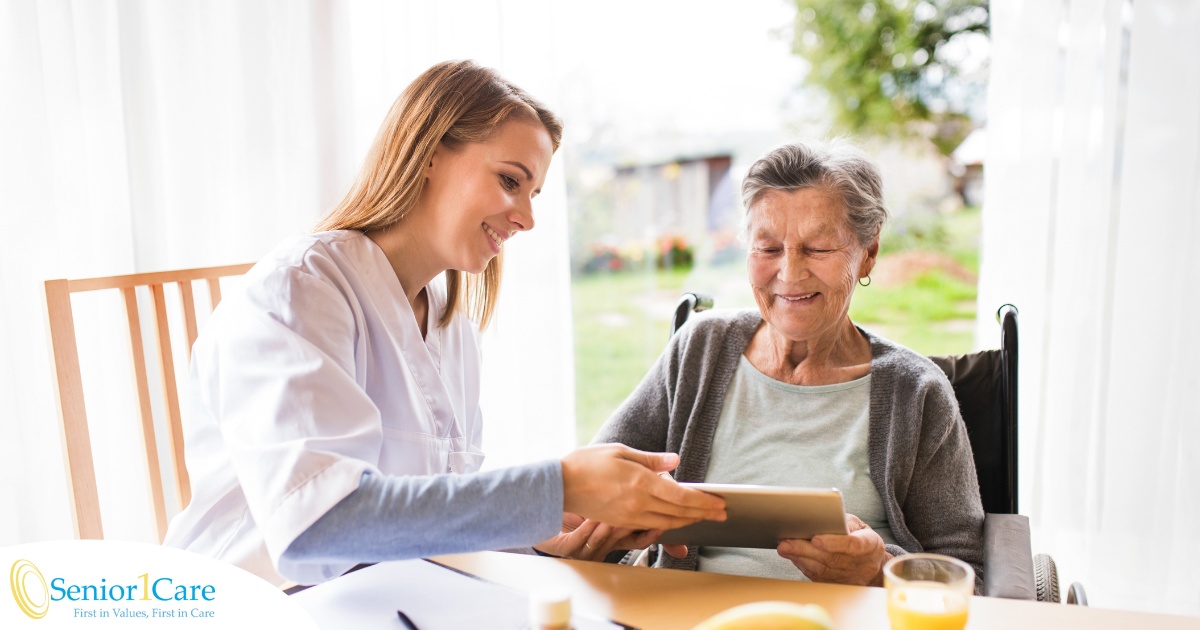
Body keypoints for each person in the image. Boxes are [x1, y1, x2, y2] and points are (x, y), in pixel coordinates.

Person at [163, 60, 725, 587]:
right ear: (429, 153)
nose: (527, 218)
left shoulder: (450, 323)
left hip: (391, 600)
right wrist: (558, 486)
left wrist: (547, 536)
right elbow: (317, 530)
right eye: (510, 180)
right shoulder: (298, 293)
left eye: (533, 194)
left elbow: (433, 516)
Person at [578, 141, 984, 587]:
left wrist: (879, 572)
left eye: (818, 248)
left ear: (867, 252)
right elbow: (588, 492)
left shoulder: (917, 391)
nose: (790, 273)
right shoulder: (700, 347)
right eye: (768, 248)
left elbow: (970, 573)